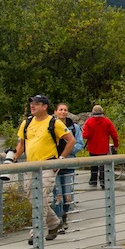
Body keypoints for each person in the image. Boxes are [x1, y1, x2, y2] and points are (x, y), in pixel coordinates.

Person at [15, 94, 75, 241]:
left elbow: (71, 141)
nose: (32, 106)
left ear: (44, 106)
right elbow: (22, 144)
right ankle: (54, 223)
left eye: (36, 103)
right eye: (31, 103)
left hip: (48, 165)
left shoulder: (54, 123)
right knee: (32, 197)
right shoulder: (26, 123)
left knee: (40, 197)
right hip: (31, 166)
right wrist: (14, 157)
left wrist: (60, 160)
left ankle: (36, 231)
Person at [82, 104, 121, 188]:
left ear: (92, 112)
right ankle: (103, 181)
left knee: (93, 163)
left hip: (92, 146)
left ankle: (93, 180)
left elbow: (85, 135)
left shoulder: (89, 121)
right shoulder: (107, 121)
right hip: (103, 146)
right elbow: (114, 134)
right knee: (103, 164)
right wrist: (116, 145)